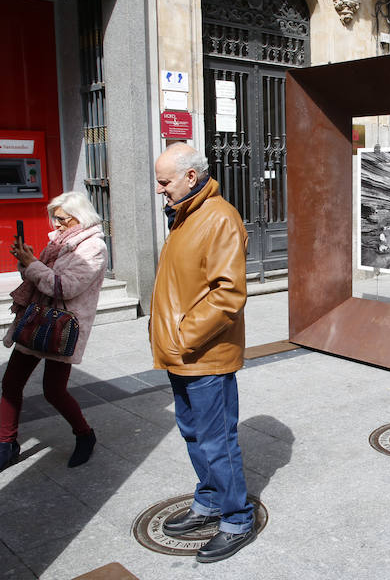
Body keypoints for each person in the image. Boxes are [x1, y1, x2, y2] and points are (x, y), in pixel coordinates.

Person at [149, 142, 256, 563]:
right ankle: (210, 499)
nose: (160, 189)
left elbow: (228, 294)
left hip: (203, 354)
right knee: (194, 434)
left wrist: (182, 337)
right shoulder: (185, 216)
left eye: (164, 181)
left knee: (217, 440)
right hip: (183, 354)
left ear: (190, 177)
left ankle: (236, 518)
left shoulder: (219, 218)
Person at [0, 192, 107, 476]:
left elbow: (63, 287)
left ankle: (85, 434)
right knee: (11, 383)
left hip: (61, 327)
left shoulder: (93, 248)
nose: (57, 224)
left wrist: (32, 263)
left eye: (62, 219)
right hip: (35, 319)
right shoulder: (58, 243)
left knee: (53, 391)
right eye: (55, 218)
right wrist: (25, 261)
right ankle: (6, 445)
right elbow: (37, 278)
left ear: (80, 217)